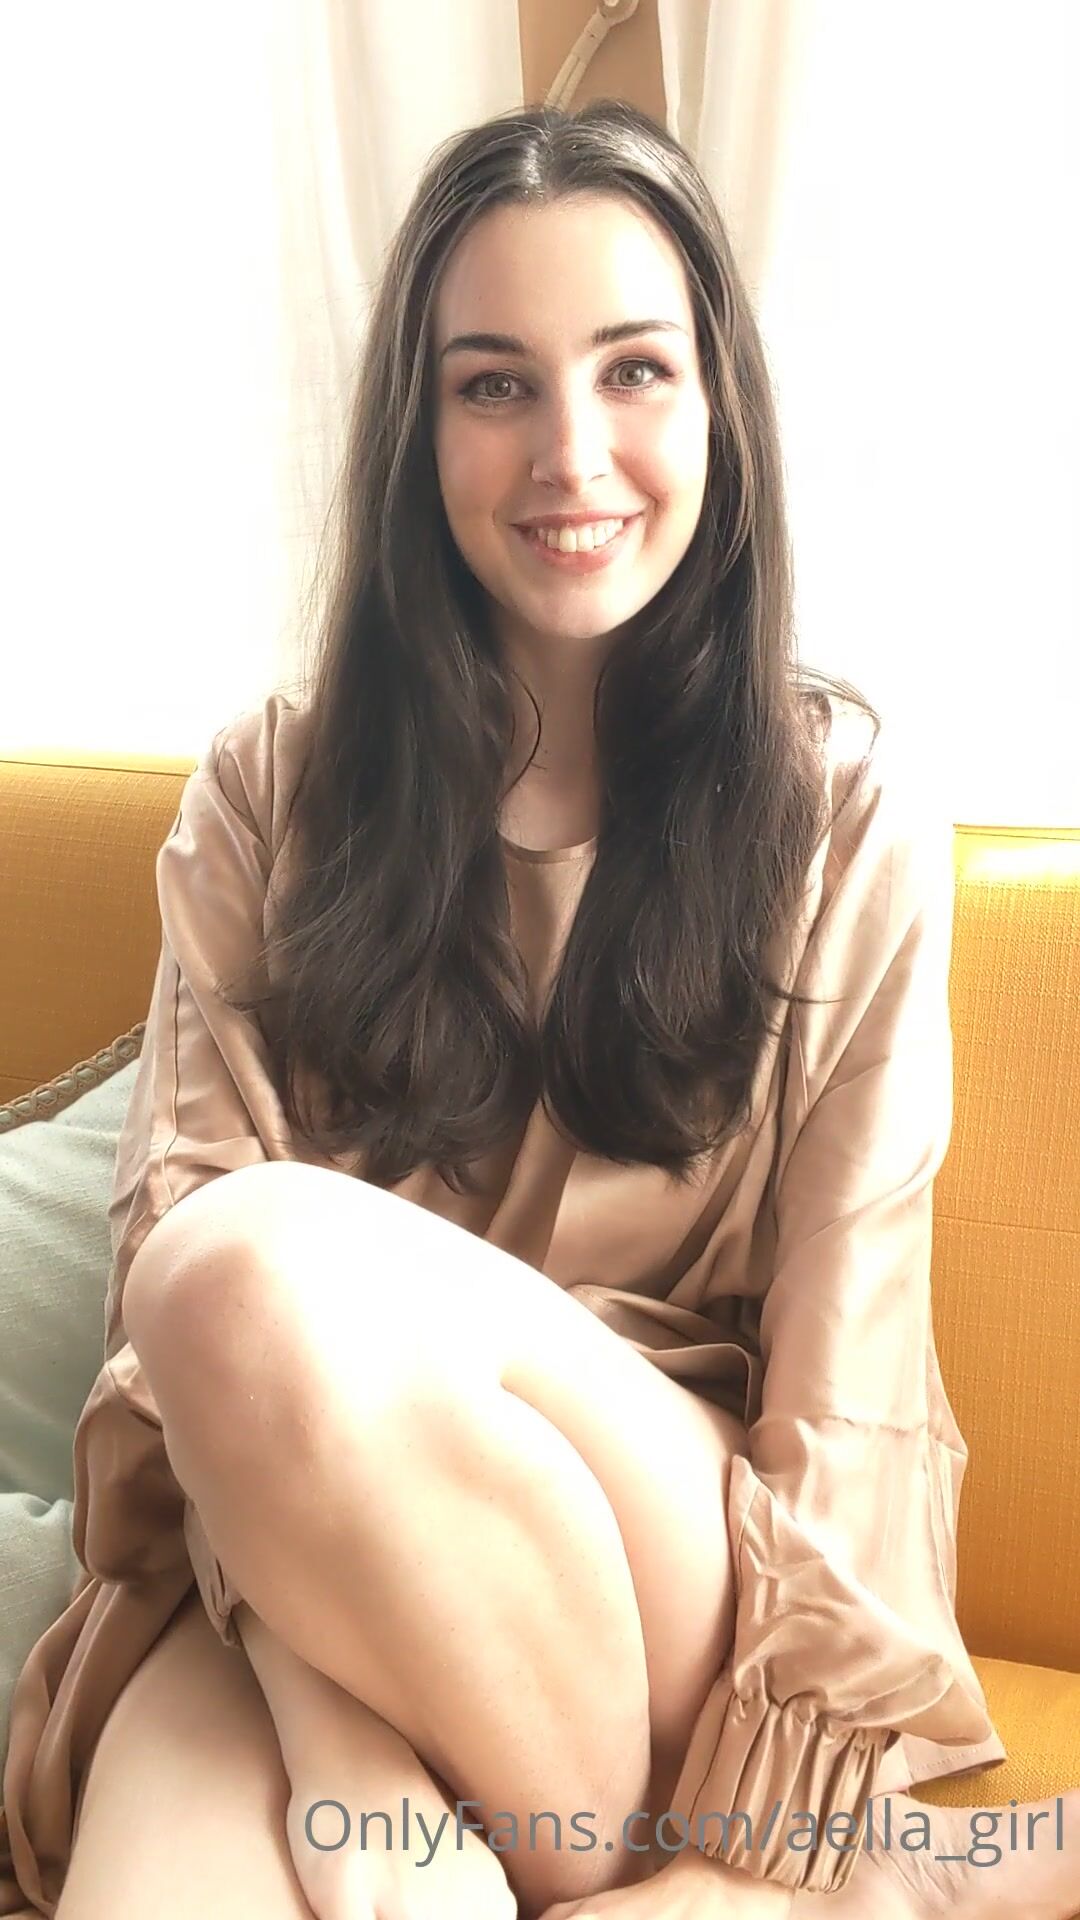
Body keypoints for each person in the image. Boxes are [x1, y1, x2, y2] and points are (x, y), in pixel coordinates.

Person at [1, 98, 1076, 1920]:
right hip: (304, 1569)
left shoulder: (843, 814)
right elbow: (170, 1370)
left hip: (677, 1569)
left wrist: (764, 1824)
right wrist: (335, 1730)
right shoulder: (272, 795)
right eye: (493, 385)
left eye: (634, 370)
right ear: (417, 431)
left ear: (719, 406)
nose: (572, 454)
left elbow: (855, 1371)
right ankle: (831, 1890)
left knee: (238, 1267)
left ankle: (787, 1879)